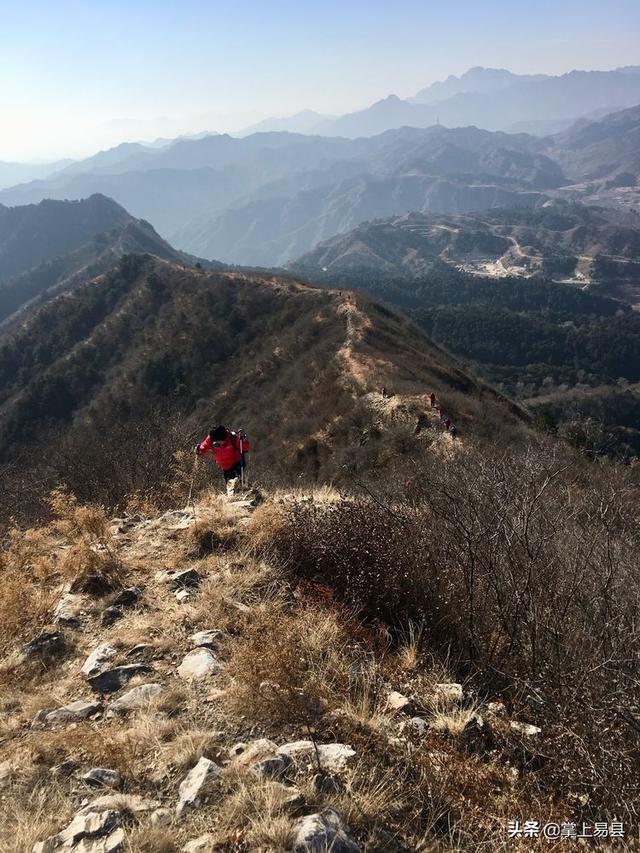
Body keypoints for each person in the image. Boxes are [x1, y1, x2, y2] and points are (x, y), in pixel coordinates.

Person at [196, 425, 250, 496]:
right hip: (224, 466)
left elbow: (245, 447)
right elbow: (204, 445)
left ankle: (240, 495)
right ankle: (236, 496)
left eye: (221, 442)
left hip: (236, 462)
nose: (220, 444)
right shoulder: (211, 438)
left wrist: (244, 441)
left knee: (235, 481)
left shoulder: (233, 437)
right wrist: (199, 449)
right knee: (229, 483)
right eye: (217, 443)